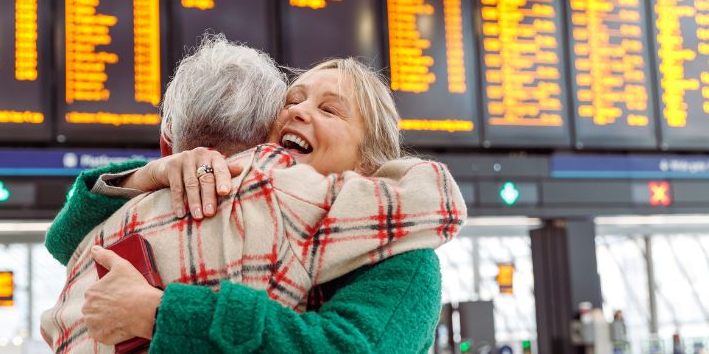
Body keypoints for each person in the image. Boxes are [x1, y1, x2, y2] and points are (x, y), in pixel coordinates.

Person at [41, 36, 466, 353]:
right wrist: (152, 175)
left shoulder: (404, 253)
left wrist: (159, 313)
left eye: (329, 109)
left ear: (366, 163)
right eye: (293, 100)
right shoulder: (228, 194)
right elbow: (64, 240)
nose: (298, 110)